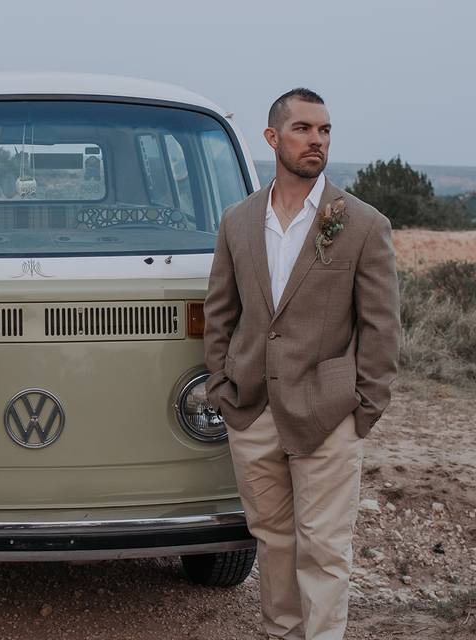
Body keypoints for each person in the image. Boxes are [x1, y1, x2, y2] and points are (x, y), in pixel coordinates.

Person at [203, 88, 399, 640]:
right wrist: (222, 384)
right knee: (274, 541)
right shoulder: (237, 222)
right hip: (252, 411)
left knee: (324, 548)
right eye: (304, 129)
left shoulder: (360, 224)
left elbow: (382, 328)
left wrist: (364, 407)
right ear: (273, 138)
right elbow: (221, 312)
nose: (317, 141)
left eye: (325, 130)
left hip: (328, 413)